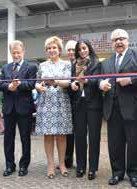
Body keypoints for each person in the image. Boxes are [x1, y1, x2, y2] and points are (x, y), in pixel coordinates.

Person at [99, 29, 137, 187]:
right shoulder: (106, 62)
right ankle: (117, 173)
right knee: (115, 144)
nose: (118, 42)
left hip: (134, 109)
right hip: (112, 109)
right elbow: (100, 79)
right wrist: (101, 84)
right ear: (112, 43)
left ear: (128, 41)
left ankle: (134, 174)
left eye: (122, 39)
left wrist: (130, 79)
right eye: (115, 39)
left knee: (133, 143)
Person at [35, 36, 73, 179]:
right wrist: (38, 87)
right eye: (49, 48)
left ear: (59, 50)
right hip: (46, 103)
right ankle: (50, 164)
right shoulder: (42, 65)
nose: (51, 50)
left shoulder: (67, 64)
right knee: (48, 135)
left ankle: (62, 164)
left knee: (62, 136)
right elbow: (37, 82)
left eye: (54, 47)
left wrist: (55, 81)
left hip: (61, 102)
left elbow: (68, 83)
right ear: (46, 50)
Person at [0, 40, 37, 177]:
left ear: (23, 52)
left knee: (25, 138)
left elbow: (32, 84)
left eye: (18, 52)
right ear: (11, 53)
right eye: (13, 52)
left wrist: (19, 84)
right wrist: (9, 87)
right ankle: (10, 165)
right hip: (9, 108)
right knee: (8, 138)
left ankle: (23, 166)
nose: (16, 55)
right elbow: (0, 84)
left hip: (24, 108)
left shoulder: (31, 67)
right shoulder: (5, 68)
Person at [70, 39, 102, 180]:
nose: (82, 51)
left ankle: (93, 168)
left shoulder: (97, 63)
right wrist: (73, 85)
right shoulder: (74, 65)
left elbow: (99, 80)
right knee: (80, 137)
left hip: (94, 105)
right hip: (79, 104)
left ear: (89, 48)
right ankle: (81, 166)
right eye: (79, 49)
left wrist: (87, 81)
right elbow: (72, 81)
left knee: (94, 137)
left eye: (84, 48)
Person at [64, 40, 77, 168]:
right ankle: (67, 160)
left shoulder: (81, 64)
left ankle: (81, 162)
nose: (71, 52)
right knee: (68, 133)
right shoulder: (65, 66)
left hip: (79, 103)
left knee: (79, 133)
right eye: (69, 50)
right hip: (66, 103)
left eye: (73, 50)